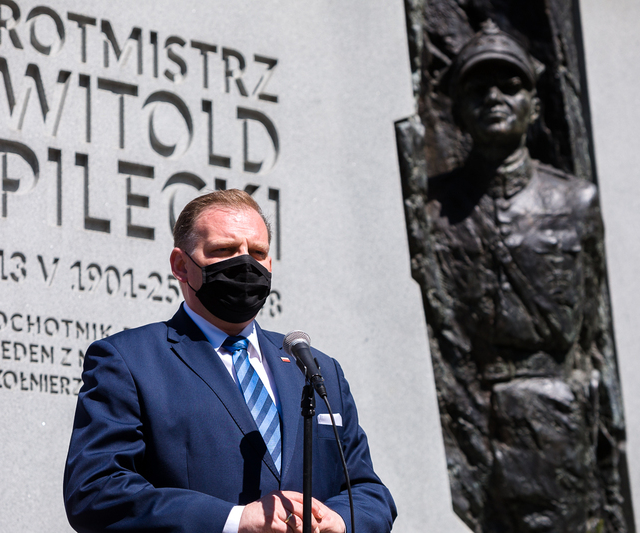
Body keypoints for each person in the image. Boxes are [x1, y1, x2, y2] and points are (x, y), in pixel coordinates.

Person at [64, 189, 396, 533]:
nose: (246, 264)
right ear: (181, 266)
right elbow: (95, 491)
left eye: (258, 252)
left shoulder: (316, 369)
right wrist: (235, 521)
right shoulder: (129, 361)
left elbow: (369, 491)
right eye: (224, 251)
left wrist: (338, 521)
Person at [419, 21, 627, 533]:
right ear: (458, 107)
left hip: (553, 424)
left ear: (534, 104)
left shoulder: (576, 203)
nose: (494, 97)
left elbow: (594, 335)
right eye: (478, 87)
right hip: (465, 416)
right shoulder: (430, 207)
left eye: (509, 85)